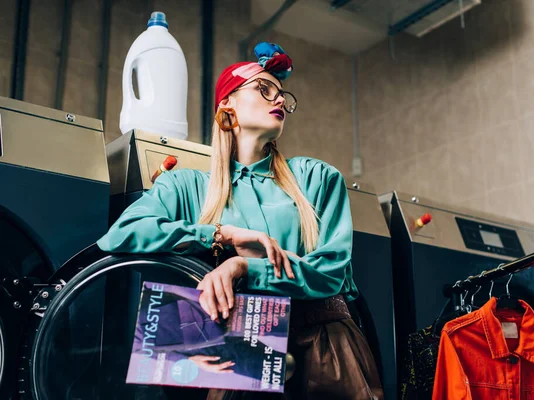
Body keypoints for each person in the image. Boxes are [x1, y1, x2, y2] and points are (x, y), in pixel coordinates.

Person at [97, 42, 383, 399]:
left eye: (283, 96)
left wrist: (242, 268)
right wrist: (221, 234)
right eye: (264, 89)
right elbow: (120, 236)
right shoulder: (186, 186)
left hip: (324, 352)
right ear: (226, 105)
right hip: (235, 353)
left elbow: (331, 272)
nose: (279, 101)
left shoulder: (316, 178)